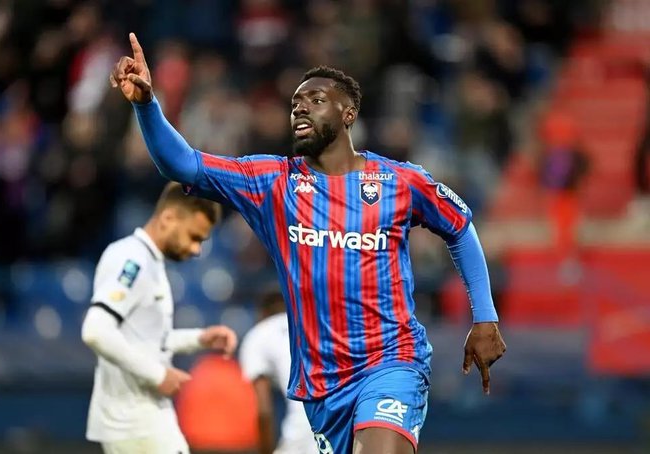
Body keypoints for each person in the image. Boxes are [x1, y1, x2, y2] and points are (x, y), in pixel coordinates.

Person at [110, 33, 506, 454]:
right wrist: (146, 105)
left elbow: (459, 226)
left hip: (392, 361)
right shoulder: (272, 182)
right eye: (295, 103)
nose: (300, 107)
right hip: (322, 387)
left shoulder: (399, 181)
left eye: (316, 100)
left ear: (348, 113)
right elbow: (184, 164)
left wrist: (485, 316)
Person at [81, 181, 237, 454]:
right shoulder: (133, 260)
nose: (196, 249)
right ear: (168, 218)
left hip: (142, 419)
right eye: (194, 237)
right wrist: (158, 375)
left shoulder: (148, 261)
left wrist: (199, 339)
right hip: (135, 422)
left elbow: (144, 339)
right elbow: (96, 330)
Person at [239, 289, 317, 454]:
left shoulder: (259, 334)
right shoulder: (314, 324)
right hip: (338, 416)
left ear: (262, 313)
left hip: (302, 423)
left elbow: (264, 409)